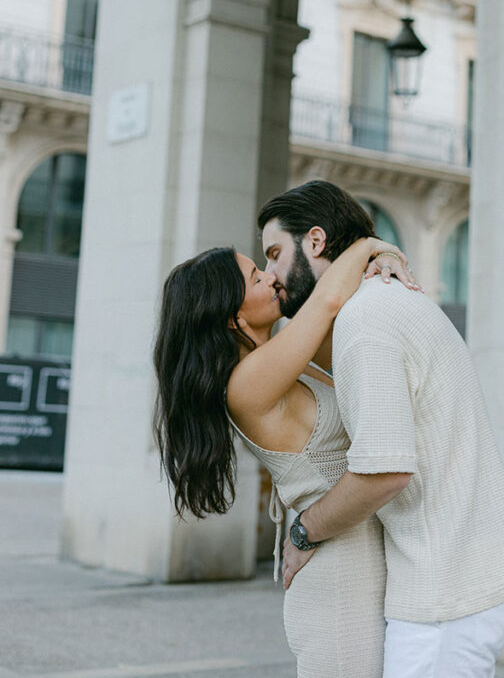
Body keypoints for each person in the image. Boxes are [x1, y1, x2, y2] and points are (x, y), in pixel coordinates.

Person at [258, 180, 504, 678]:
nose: (270, 274)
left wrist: (304, 532)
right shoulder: (377, 302)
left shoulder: (365, 321)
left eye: (275, 253)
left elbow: (383, 472)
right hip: (454, 576)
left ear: (317, 241)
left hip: (449, 589)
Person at [153, 231, 418, 678]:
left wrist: (387, 256)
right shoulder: (247, 381)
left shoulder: (285, 357)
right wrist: (370, 240)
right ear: (231, 316)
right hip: (338, 580)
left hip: (363, 561)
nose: (273, 277)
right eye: (257, 276)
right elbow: (331, 298)